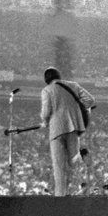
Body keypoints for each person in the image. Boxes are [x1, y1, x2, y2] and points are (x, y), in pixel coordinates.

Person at [39, 67, 96, 196]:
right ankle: (79, 191)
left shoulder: (47, 90)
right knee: (74, 161)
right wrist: (78, 109)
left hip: (56, 130)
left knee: (59, 166)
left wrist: (45, 121)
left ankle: (60, 196)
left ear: (46, 80)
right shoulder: (73, 85)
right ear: (58, 76)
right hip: (74, 127)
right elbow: (90, 100)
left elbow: (46, 111)